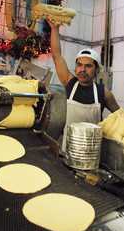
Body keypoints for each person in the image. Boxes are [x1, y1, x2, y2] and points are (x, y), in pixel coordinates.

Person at [48, 21, 120, 152]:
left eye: (88, 66)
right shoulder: (69, 83)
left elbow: (120, 118)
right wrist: (54, 28)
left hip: (92, 153)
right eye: (79, 65)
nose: (82, 70)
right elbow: (56, 56)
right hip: (68, 150)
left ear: (97, 70)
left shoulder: (104, 93)